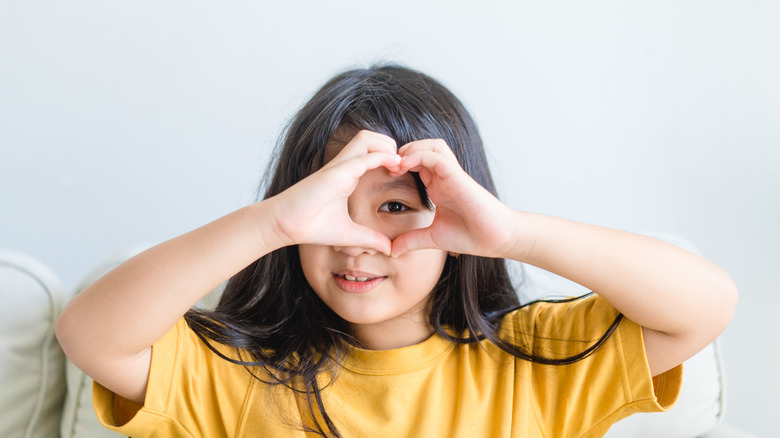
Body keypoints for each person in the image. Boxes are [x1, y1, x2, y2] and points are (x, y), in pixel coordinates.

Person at [56, 64, 738, 437]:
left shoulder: (537, 361)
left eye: (393, 209)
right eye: (329, 213)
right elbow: (90, 336)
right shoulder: (234, 371)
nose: (358, 246)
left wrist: (513, 234)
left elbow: (706, 306)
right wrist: (270, 226)